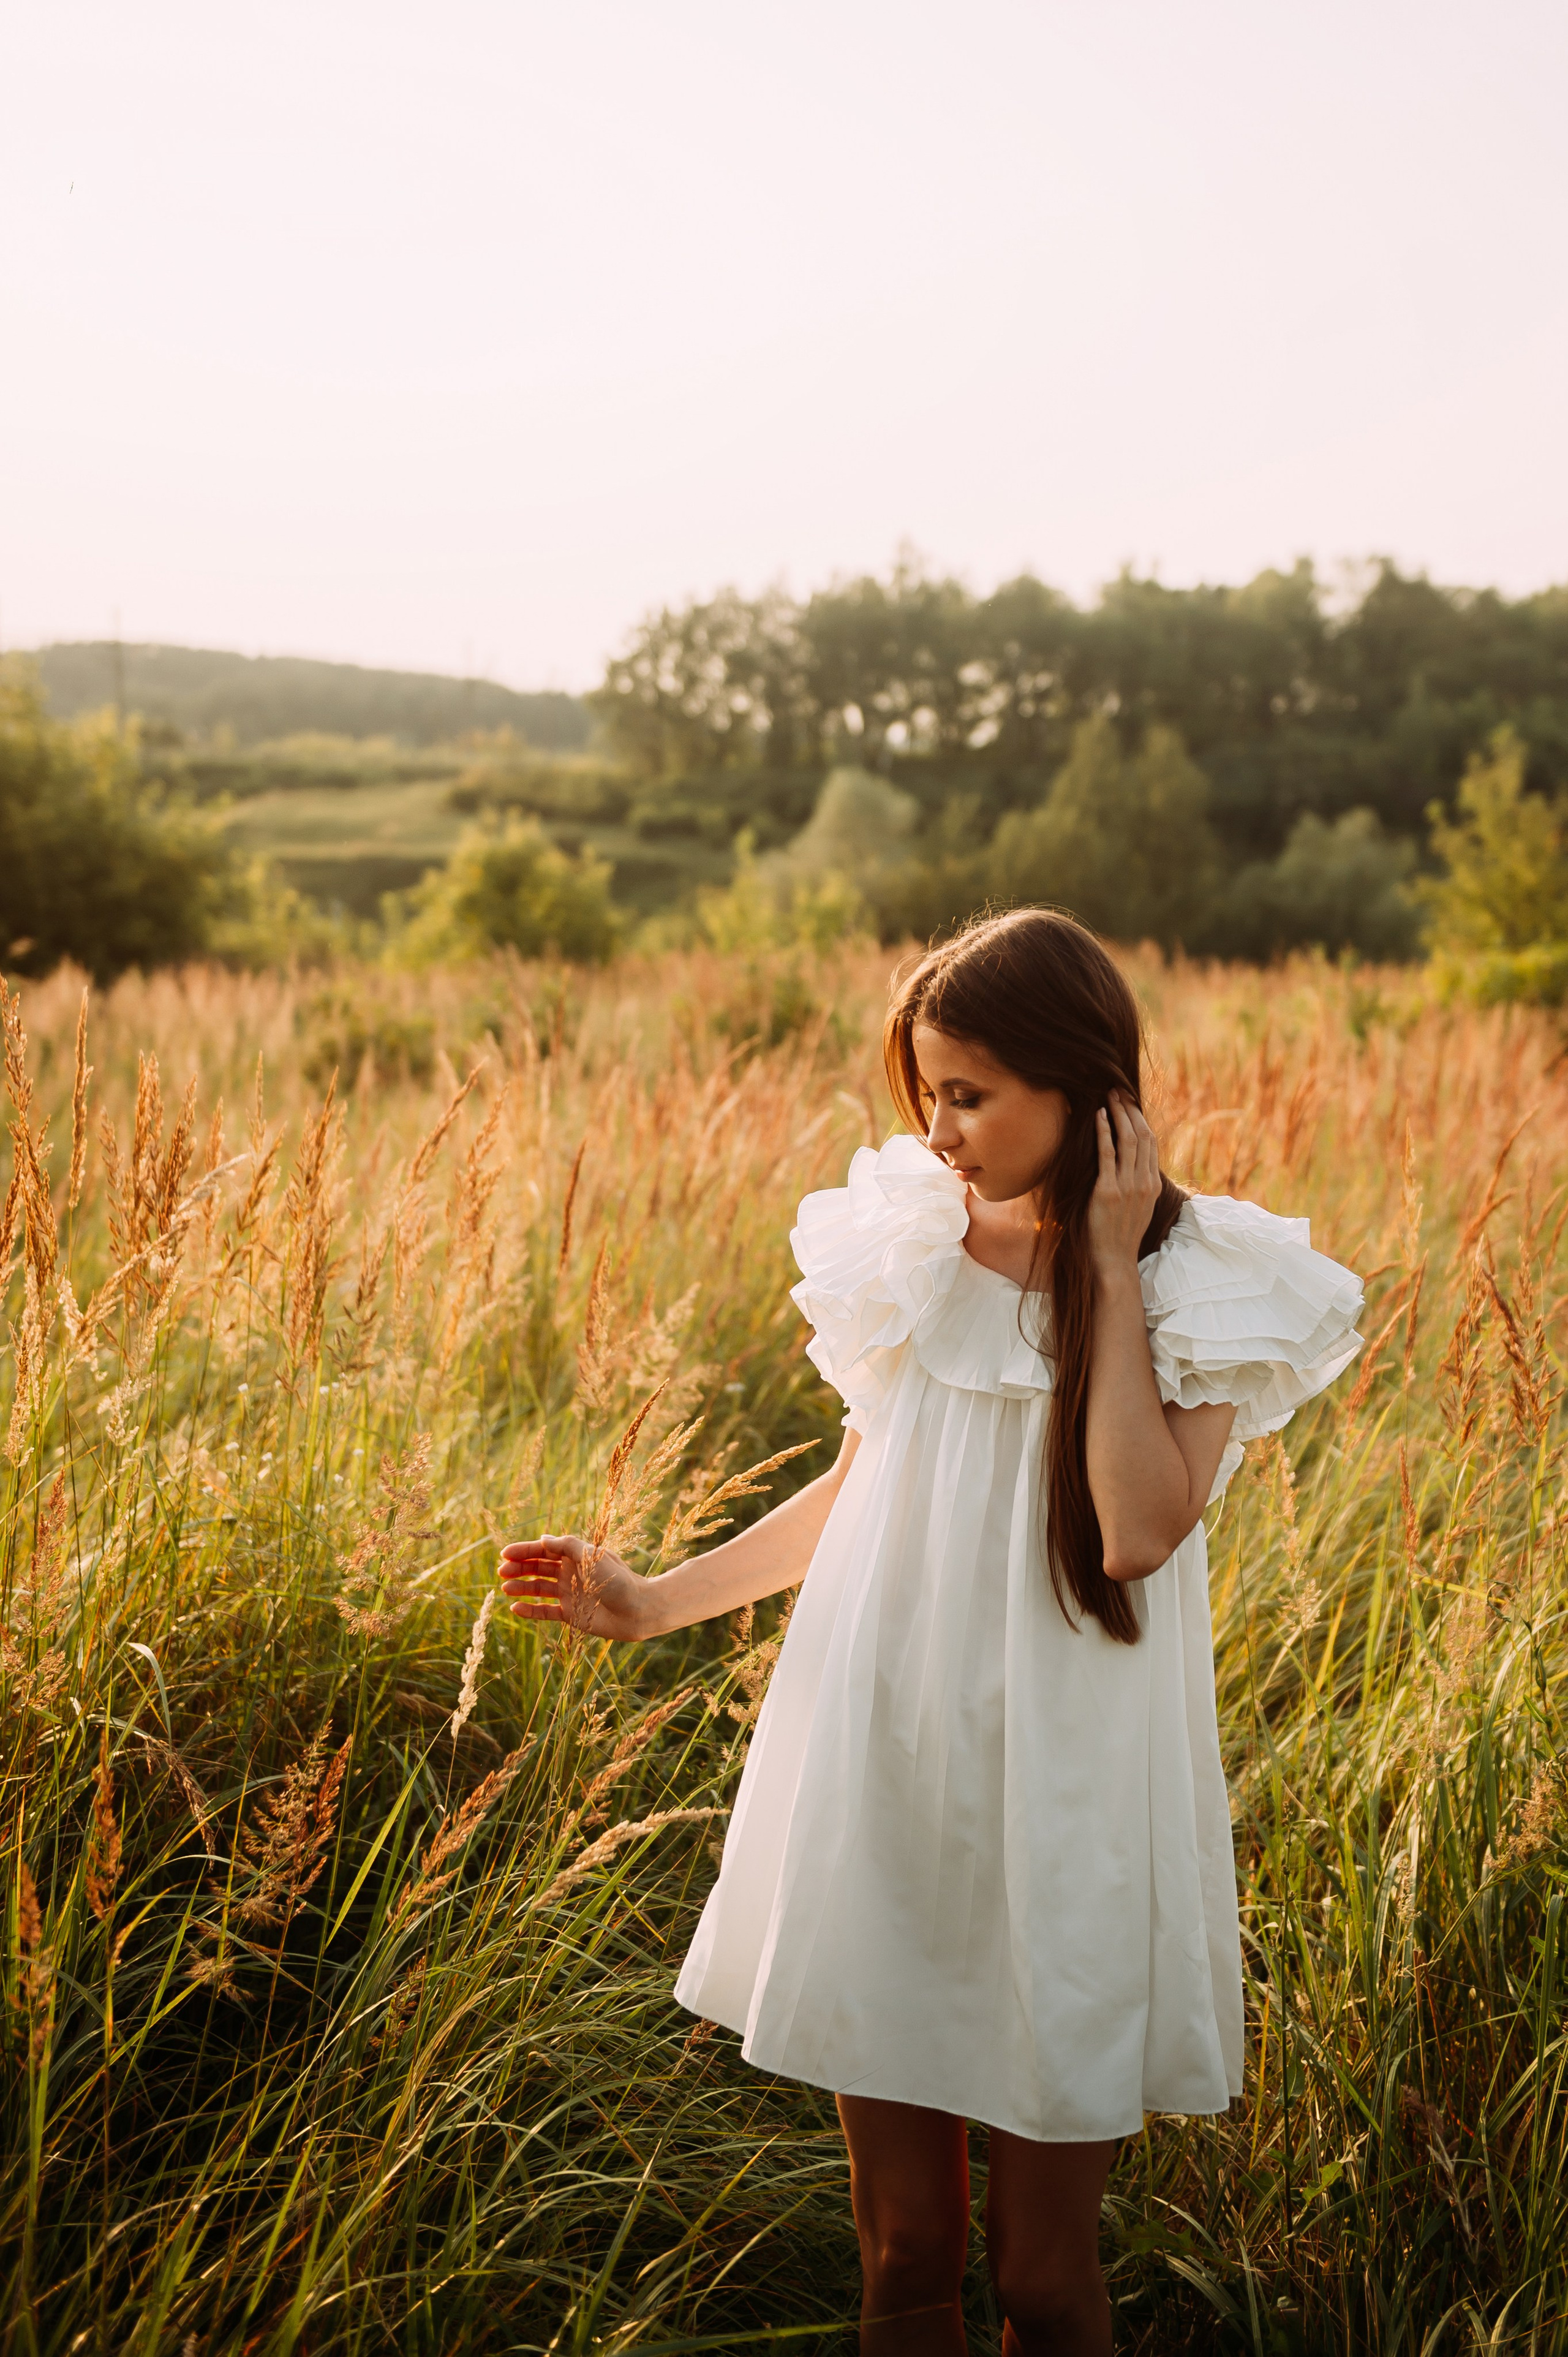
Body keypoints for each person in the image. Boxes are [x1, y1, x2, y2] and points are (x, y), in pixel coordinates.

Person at [499, 909, 1363, 2356]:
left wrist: (1094, 1262)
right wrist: (654, 1601)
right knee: (902, 2254)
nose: (939, 1129)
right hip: (883, 1750)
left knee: (1040, 2278)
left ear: (1081, 1083)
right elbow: (861, 1484)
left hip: (1070, 1785)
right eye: (926, 1094)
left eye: (968, 1094)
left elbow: (1139, 1527)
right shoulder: (905, 1242)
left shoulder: (1200, 1274)